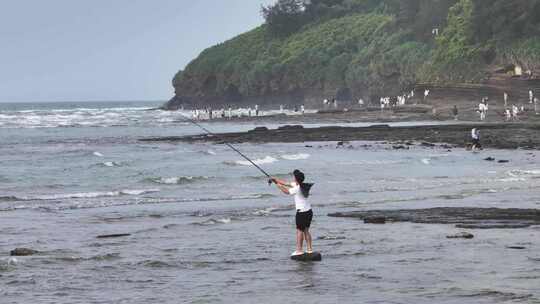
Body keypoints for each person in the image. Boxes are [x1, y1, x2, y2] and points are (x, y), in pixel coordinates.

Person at [271, 170, 314, 256]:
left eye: (294, 177)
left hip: (301, 213)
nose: (293, 178)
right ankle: (309, 249)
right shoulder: (303, 185)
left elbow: (286, 192)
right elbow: (286, 184)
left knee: (299, 231)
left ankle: (299, 250)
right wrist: (275, 180)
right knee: (306, 230)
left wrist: (276, 184)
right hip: (309, 211)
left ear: (296, 179)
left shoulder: (297, 188)